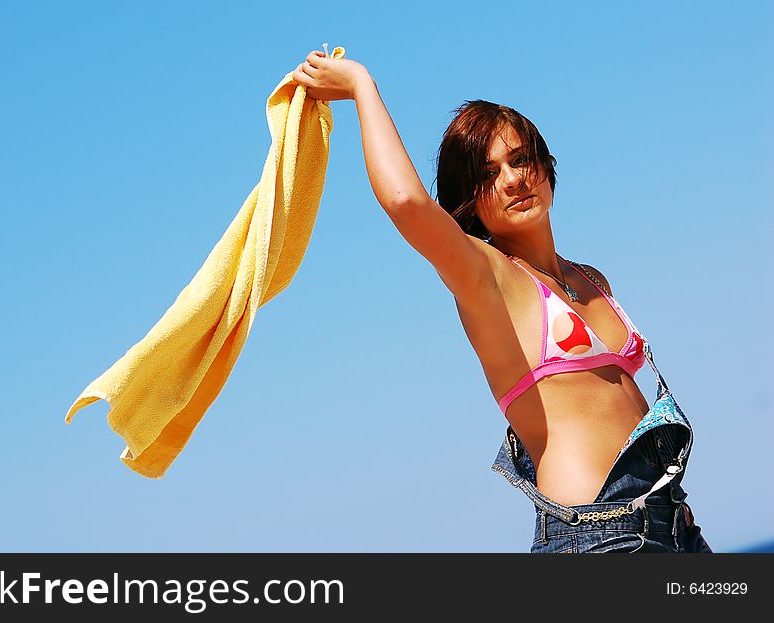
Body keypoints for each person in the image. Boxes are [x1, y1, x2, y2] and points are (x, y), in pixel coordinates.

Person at [291, 50, 712, 553]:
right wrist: (361, 86)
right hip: (599, 537)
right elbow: (406, 202)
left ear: (545, 166)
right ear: (469, 201)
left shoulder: (591, 278)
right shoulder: (486, 277)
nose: (513, 180)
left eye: (520, 160)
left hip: (674, 525)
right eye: (489, 174)